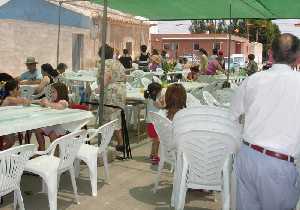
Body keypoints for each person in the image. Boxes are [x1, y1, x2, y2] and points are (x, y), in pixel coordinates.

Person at [231, 33, 300, 210]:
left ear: (270, 54)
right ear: (298, 56)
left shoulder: (252, 80)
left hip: (247, 156)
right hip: (280, 164)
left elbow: (233, 115)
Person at [97, 44, 126, 152]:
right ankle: (120, 143)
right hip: (121, 91)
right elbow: (125, 77)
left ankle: (105, 143)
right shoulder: (118, 63)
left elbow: (107, 77)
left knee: (107, 118)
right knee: (116, 117)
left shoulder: (104, 64)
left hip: (110, 92)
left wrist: (98, 89)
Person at [34, 83, 69, 151]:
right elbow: (41, 102)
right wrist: (32, 101)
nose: (51, 94)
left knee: (52, 134)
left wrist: (47, 103)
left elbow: (59, 106)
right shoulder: (52, 101)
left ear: (60, 92)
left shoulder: (64, 102)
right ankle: (42, 148)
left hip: (62, 126)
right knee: (38, 130)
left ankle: (54, 152)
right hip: (53, 124)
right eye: (51, 92)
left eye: (53, 92)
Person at [0, 79, 31, 150]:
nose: (20, 90)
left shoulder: (15, 98)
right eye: (18, 88)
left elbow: (26, 102)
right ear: (11, 92)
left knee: (26, 132)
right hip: (3, 124)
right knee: (11, 141)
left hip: (7, 122)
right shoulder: (8, 99)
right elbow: (25, 101)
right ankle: (2, 154)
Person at [144, 82, 165, 164]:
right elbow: (162, 107)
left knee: (155, 140)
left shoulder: (149, 99)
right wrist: (163, 100)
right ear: (155, 92)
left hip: (150, 122)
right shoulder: (155, 100)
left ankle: (152, 154)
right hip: (154, 123)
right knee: (157, 141)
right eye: (160, 92)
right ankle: (155, 156)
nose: (160, 93)